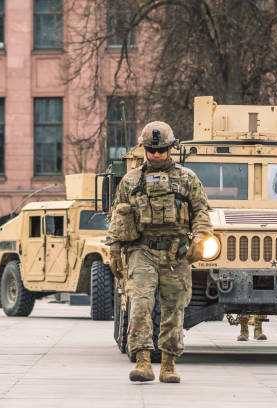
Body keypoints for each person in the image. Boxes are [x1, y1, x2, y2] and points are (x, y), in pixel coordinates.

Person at [106, 121, 213, 383]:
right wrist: (115, 250)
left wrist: (200, 238)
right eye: (152, 150)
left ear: (171, 148)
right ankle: (142, 360)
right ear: (144, 149)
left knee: (174, 309)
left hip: (176, 252)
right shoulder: (131, 180)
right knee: (140, 304)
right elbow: (118, 215)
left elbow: (201, 211)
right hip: (142, 249)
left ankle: (169, 363)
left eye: (162, 150)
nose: (157, 155)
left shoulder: (187, 179)